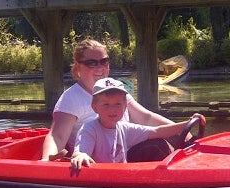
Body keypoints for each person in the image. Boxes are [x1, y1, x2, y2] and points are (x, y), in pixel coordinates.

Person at [41, 39, 187, 162]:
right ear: (78, 66)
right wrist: (46, 160)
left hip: (125, 156)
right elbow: (57, 136)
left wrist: (186, 132)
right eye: (92, 63)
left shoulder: (115, 90)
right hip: (94, 163)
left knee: (167, 142)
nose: (100, 67)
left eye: (104, 61)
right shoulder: (71, 98)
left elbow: (146, 118)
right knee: (157, 146)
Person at [69, 78, 205, 168]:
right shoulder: (89, 129)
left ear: (125, 106)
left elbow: (156, 131)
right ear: (95, 107)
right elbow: (80, 151)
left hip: (123, 175)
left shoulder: (124, 127)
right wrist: (81, 155)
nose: (112, 109)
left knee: (158, 144)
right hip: (102, 179)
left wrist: (186, 124)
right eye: (106, 104)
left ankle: (173, 174)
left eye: (118, 104)